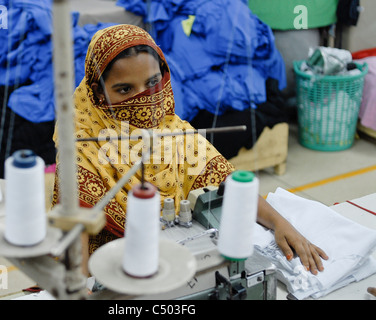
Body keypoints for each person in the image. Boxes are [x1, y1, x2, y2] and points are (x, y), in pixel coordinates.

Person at [51, 24, 328, 275]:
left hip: (176, 260)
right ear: (98, 93)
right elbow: (76, 261)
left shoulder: (174, 131)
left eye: (152, 83)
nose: (144, 99)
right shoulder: (82, 150)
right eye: (124, 90)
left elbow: (228, 183)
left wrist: (280, 224)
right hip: (113, 274)